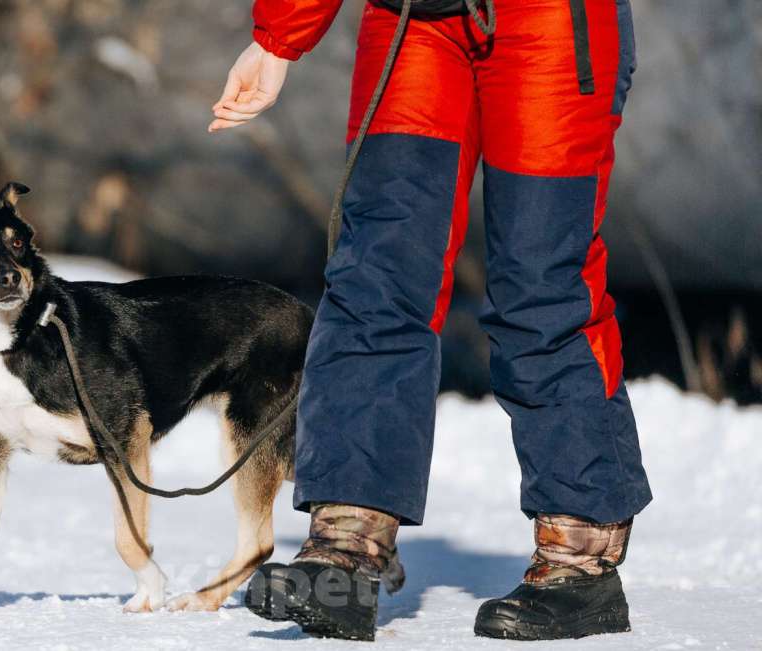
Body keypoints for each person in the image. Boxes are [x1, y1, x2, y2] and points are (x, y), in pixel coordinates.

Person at [211, 0, 652, 642]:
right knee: (376, 275)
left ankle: (579, 562)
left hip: (551, 23)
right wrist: (280, 36)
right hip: (413, 20)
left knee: (542, 285)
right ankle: (346, 553)